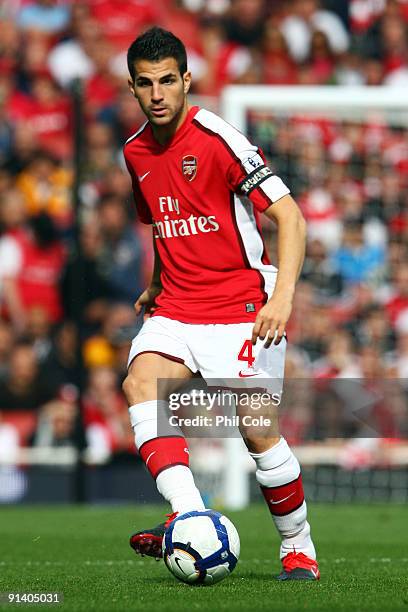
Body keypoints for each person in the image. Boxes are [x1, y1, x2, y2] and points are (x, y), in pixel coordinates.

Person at [122, 27, 319, 581]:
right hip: (177, 308)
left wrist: (281, 298)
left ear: (186, 80)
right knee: (141, 384)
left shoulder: (218, 138)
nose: (157, 93)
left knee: (256, 430)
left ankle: (297, 545)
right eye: (145, 83)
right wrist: (159, 281)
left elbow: (291, 217)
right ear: (133, 88)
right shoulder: (134, 151)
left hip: (240, 307)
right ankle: (190, 517)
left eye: (167, 81)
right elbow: (166, 222)